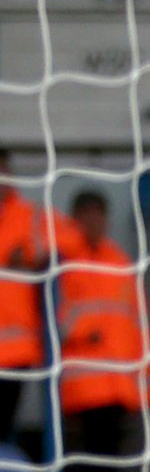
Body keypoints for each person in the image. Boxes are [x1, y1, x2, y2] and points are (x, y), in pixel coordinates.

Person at [54, 190, 150, 472]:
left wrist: (146, 384)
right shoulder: (64, 261)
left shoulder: (121, 263)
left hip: (120, 383)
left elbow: (139, 325)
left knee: (113, 458)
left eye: (98, 214)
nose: (93, 221)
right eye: (85, 214)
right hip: (82, 383)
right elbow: (54, 315)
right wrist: (85, 331)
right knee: (87, 458)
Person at [0, 153, 49, 452]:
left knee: (5, 427)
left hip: (15, 349)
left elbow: (67, 241)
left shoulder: (30, 217)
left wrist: (32, 258)